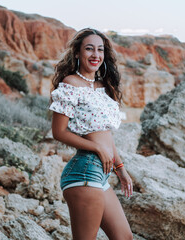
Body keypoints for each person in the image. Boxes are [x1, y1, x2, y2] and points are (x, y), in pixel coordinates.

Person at [49, 28, 133, 240]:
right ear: (77, 53)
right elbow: (58, 132)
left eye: (100, 50)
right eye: (89, 49)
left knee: (124, 237)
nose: (95, 55)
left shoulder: (104, 88)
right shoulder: (70, 84)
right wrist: (96, 147)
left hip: (101, 174)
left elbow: (105, 135)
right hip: (84, 171)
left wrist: (120, 169)